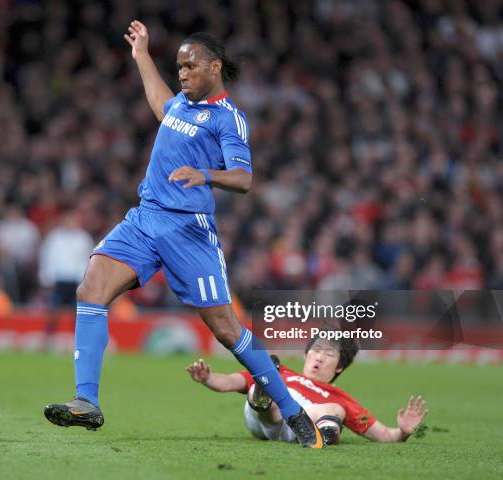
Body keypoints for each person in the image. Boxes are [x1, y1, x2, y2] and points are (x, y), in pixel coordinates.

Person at [44, 20, 324, 448]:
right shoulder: (181, 106)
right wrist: (141, 56)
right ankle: (87, 401)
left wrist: (205, 175)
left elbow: (245, 179)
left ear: (214, 68)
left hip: (188, 231)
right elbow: (161, 105)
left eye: (190, 67)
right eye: (178, 68)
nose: (183, 74)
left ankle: (291, 410)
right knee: (91, 289)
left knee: (227, 330)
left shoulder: (229, 119)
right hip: (145, 217)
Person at [186, 336, 428, 445]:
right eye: (317, 350)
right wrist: (207, 378)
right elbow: (228, 382)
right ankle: (262, 396)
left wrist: (403, 432)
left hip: (298, 427)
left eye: (329, 354)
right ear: (306, 353)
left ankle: (322, 433)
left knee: (335, 409)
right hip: (264, 417)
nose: (320, 358)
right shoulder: (281, 372)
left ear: (340, 366)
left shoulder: (338, 397)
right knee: (268, 378)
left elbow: (384, 435)